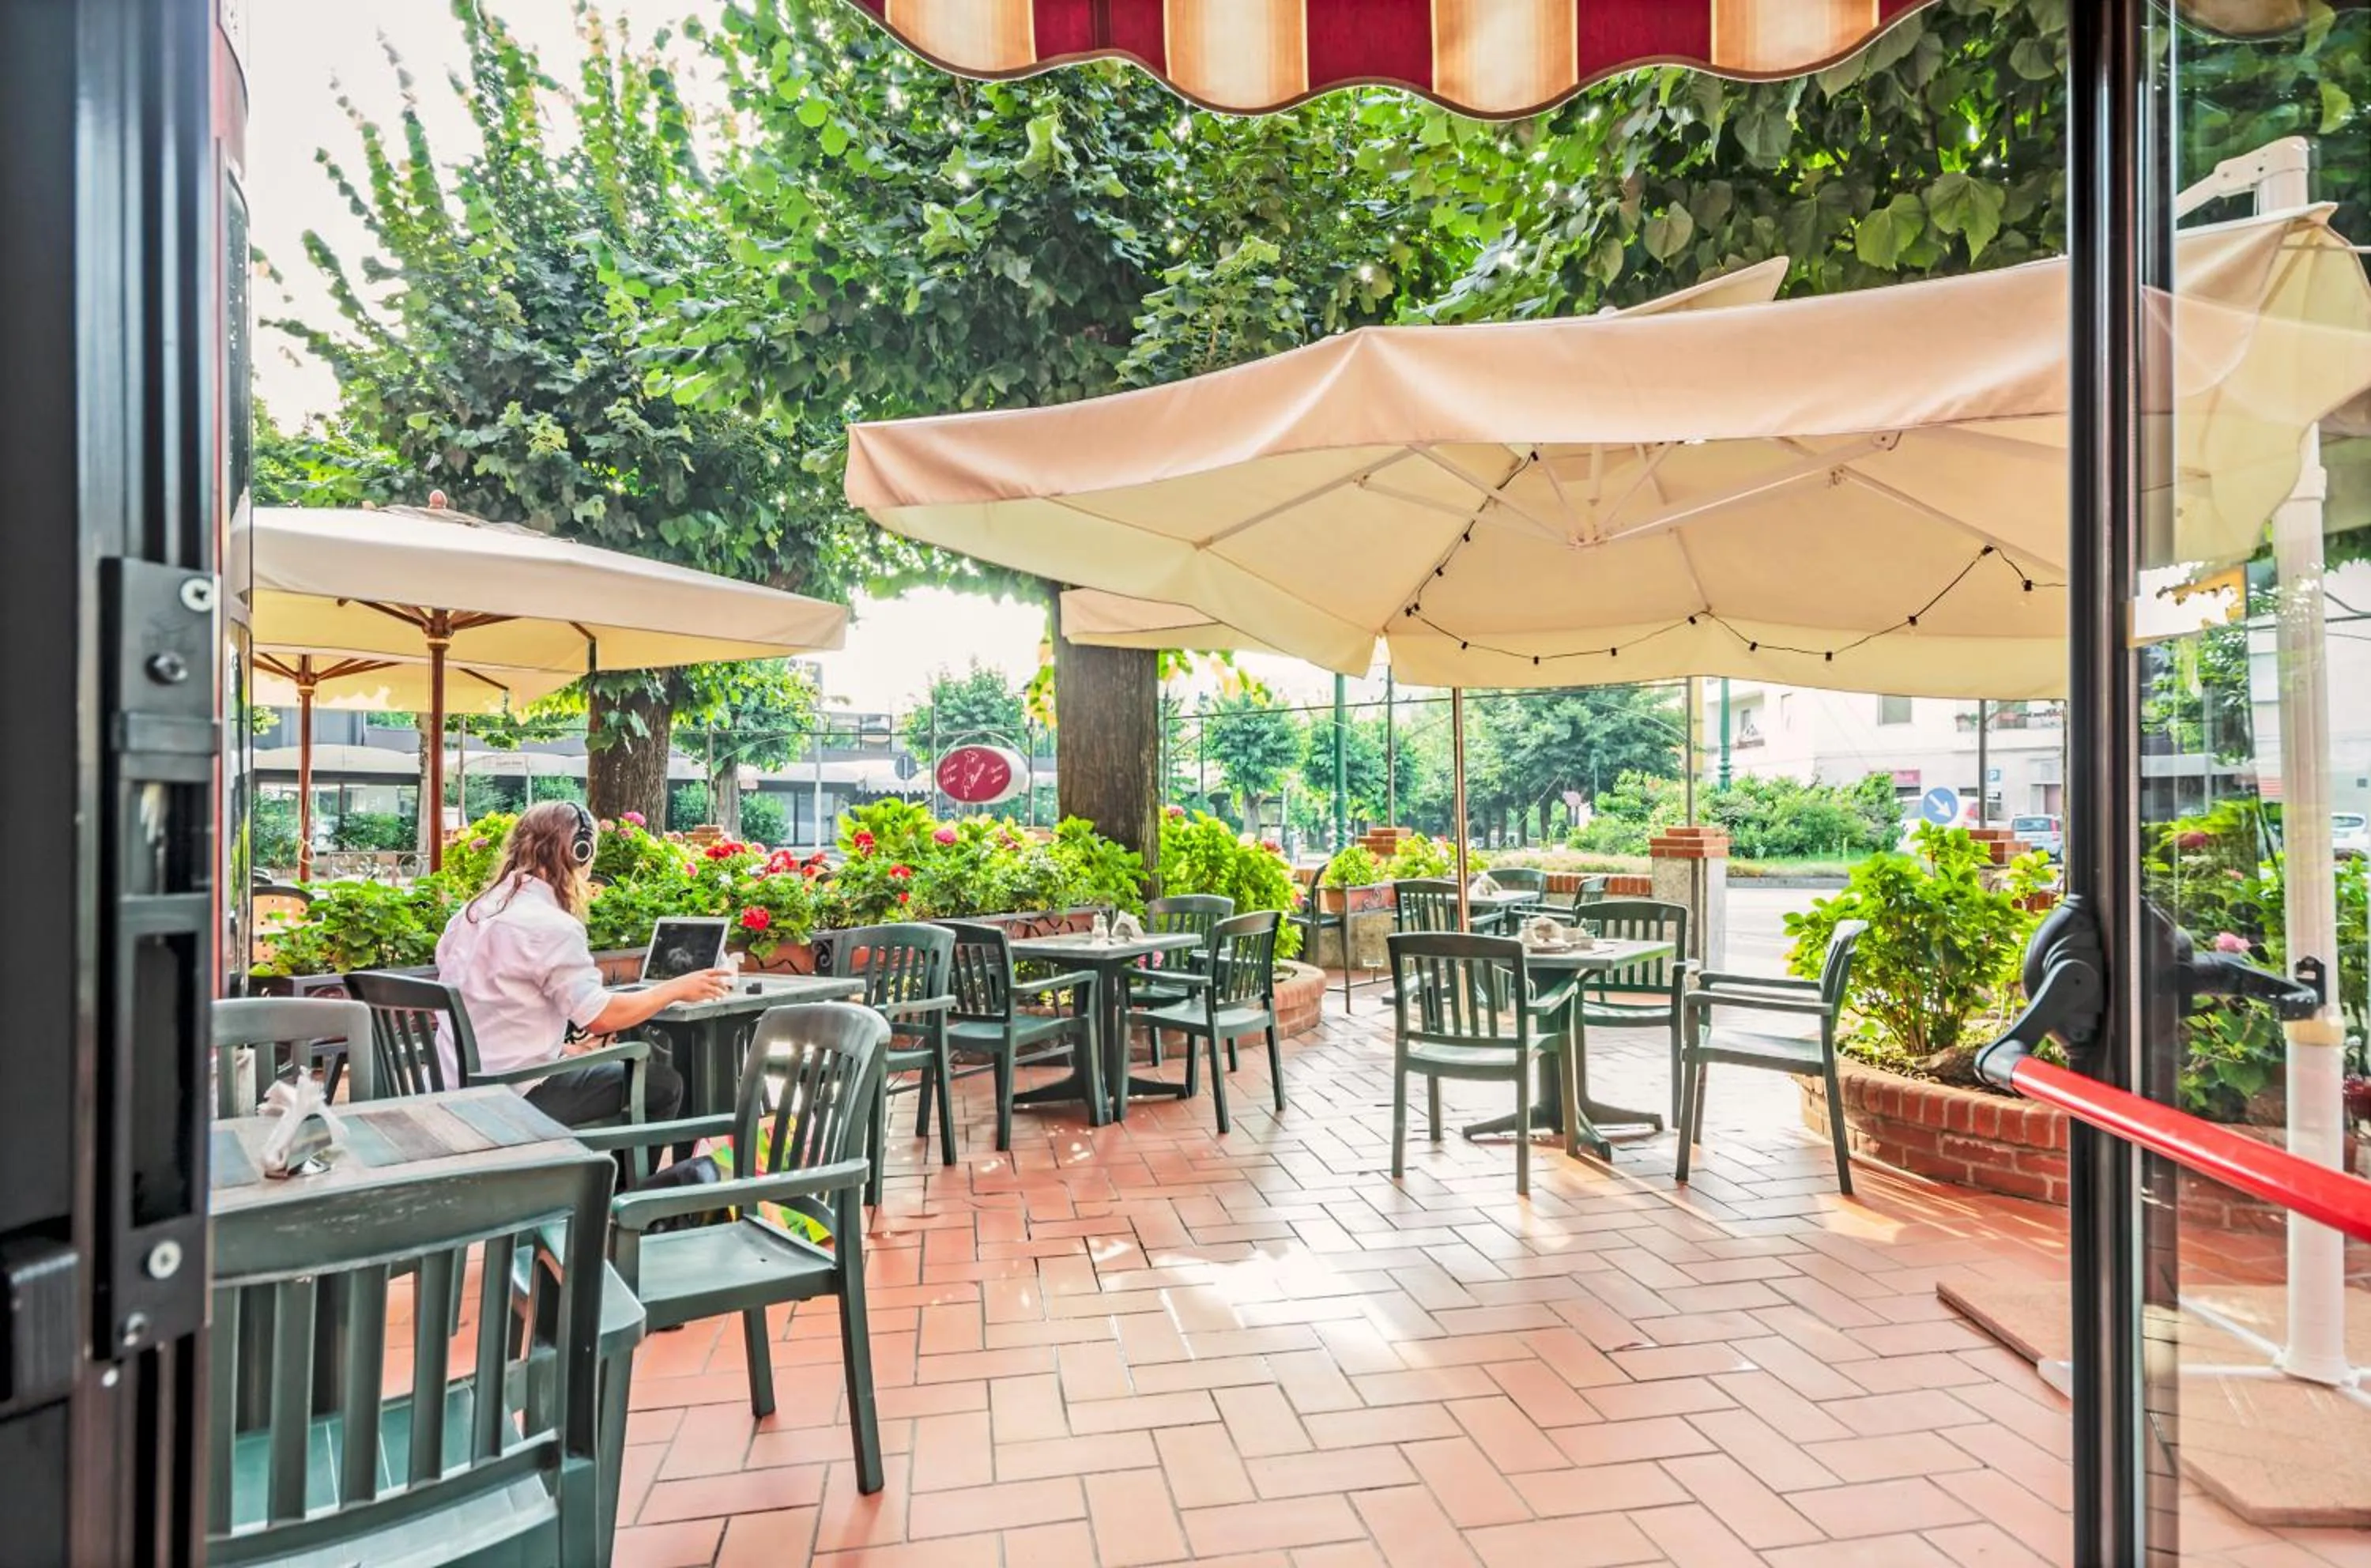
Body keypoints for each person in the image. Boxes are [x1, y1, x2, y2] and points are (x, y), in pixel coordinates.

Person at [435, 799, 728, 1127]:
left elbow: (492, 1002)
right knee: (663, 1085)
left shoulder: (470, 914)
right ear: (581, 852)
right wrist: (677, 989)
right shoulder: (551, 926)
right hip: (514, 1095)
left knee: (601, 1069)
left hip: (455, 1087)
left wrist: (556, 1053)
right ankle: (611, 1179)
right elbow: (601, 1018)